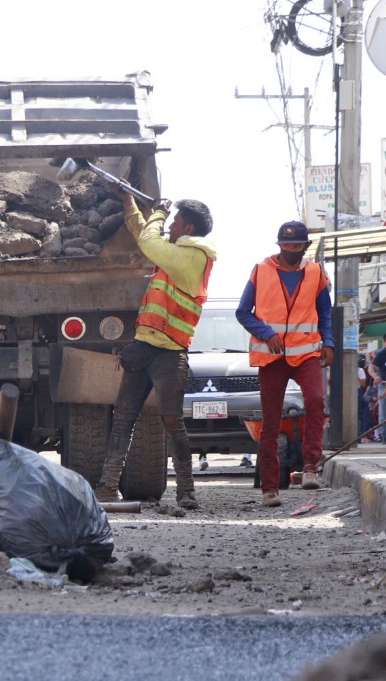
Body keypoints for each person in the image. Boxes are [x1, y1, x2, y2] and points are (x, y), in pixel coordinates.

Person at [91, 196, 217, 509]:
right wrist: (129, 204)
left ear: (188, 227)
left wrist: (159, 210)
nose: (169, 225)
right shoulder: (175, 254)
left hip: (170, 353)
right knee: (123, 419)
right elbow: (143, 233)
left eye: (175, 221)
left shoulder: (192, 256)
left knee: (172, 421)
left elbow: (148, 240)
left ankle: (186, 491)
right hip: (145, 346)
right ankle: (107, 487)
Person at [236, 220, 335, 507]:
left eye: (296, 246)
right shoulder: (260, 271)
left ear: (305, 247)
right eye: (286, 245)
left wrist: (328, 342)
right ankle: (270, 489)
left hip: (306, 354)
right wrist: (267, 334)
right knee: (271, 421)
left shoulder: (316, 273)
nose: (291, 250)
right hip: (273, 356)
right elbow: (243, 312)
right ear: (279, 246)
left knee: (316, 401)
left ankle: (310, 468)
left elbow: (324, 312)